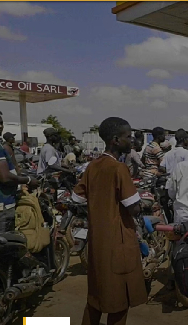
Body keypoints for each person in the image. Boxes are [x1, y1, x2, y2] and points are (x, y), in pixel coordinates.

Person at [72, 117, 146, 325]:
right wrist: (143, 203)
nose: (131, 141)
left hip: (97, 242)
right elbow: (134, 207)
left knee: (96, 296)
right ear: (115, 140)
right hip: (118, 242)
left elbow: (77, 198)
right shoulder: (119, 168)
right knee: (118, 302)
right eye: (128, 137)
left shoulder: (92, 166)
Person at [0, 110, 38, 232]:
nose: (0, 126)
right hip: (1, 206)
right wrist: (28, 180)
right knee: (3, 246)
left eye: (1, 123)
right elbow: (5, 177)